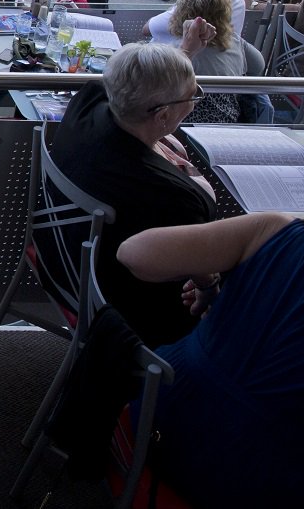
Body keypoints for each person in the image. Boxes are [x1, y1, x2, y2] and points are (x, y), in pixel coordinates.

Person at [114, 170, 304, 507]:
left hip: (157, 416)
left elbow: (134, 252)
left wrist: (210, 284)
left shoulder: (272, 229)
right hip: (252, 477)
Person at [47, 41, 218, 347]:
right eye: (193, 95)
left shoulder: (89, 104)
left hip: (60, 258)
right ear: (162, 115)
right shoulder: (174, 196)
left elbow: (137, 78)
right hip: (120, 308)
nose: (194, 101)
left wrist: (183, 54)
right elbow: (199, 268)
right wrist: (209, 284)